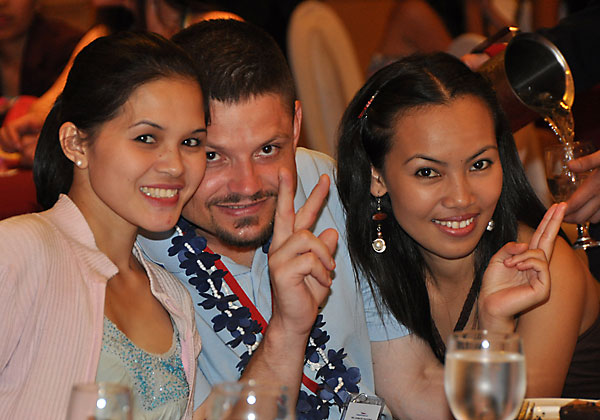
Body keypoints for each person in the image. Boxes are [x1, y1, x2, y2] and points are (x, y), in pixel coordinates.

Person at [137, 19, 410, 420]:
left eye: (267, 149)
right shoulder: (138, 254)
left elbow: (408, 379)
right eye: (213, 156)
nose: (246, 186)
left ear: (296, 126)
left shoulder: (326, 185)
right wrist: (287, 327)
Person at [336, 53, 600, 408]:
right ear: (377, 177)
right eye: (428, 172)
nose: (461, 198)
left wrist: (495, 326)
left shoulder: (541, 269)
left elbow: (501, 416)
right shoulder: (369, 259)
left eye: (479, 164)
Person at [0, 31, 208, 419]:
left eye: (192, 142)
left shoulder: (173, 297)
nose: (175, 166)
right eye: (146, 138)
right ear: (76, 143)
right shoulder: (18, 252)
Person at [0, 0, 240, 167]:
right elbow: (55, 104)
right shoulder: (105, 34)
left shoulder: (215, 27)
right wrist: (36, 127)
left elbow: (229, 132)